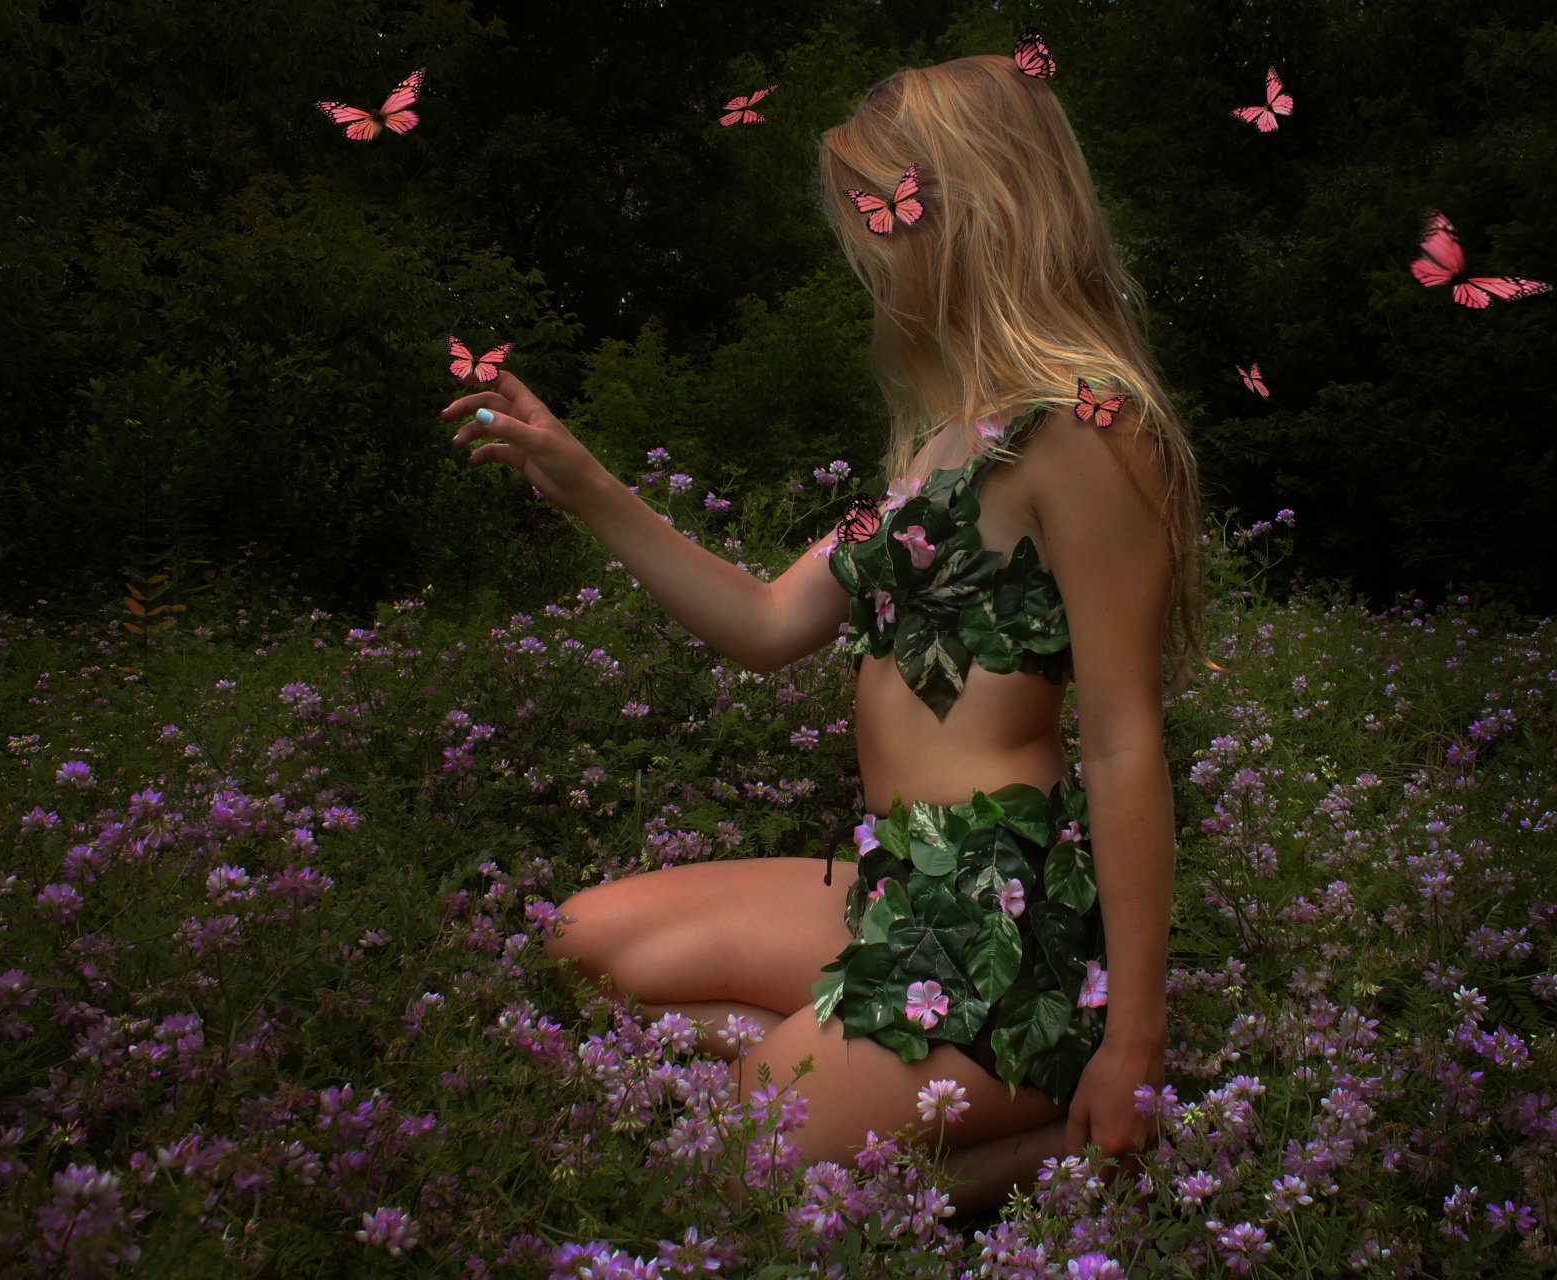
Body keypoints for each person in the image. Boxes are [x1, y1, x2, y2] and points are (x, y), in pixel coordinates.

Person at [441, 48, 1203, 1211]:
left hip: (998, 922)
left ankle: (1050, 1135)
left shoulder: (1087, 427)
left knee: (729, 1160)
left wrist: (1134, 1033)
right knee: (576, 939)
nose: (869, 248)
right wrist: (583, 477)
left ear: (975, 206)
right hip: (896, 887)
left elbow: (1121, 740)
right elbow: (763, 621)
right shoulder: (947, 439)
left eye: (882, 211)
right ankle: (844, 1078)